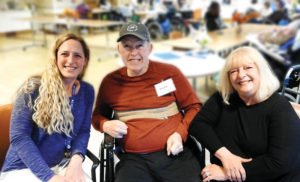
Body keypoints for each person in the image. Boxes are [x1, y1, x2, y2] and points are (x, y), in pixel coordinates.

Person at [92, 22, 202, 182]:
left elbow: (194, 107)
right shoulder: (110, 82)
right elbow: (97, 116)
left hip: (174, 153)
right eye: (127, 46)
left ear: (150, 48)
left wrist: (180, 134)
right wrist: (104, 124)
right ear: (119, 50)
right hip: (133, 159)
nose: (133, 52)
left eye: (139, 45)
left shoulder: (169, 73)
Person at [189, 46, 300, 182]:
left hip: (269, 177)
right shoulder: (224, 98)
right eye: (233, 71)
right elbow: (198, 125)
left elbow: (279, 164)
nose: (241, 75)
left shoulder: (279, 108)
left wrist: (227, 172)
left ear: (261, 71)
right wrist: (226, 156)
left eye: (248, 68)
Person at [0, 32, 94, 182]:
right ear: (55, 58)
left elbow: (83, 131)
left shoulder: (87, 91)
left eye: (77, 55)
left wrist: (77, 159)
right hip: (23, 167)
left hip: (60, 164)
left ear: (85, 62)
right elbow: (19, 137)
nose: (71, 60)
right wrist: (49, 177)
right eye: (65, 54)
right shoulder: (32, 88)